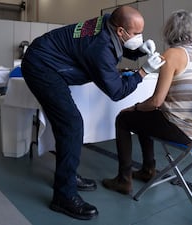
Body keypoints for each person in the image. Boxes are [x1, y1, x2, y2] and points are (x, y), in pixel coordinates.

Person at [21, 5, 165, 220]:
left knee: (67, 125)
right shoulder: (98, 48)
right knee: (71, 125)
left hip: (51, 58)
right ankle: (63, 195)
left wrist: (138, 50)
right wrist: (144, 71)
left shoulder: (108, 22)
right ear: (120, 31)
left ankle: (66, 176)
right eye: (136, 34)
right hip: (42, 66)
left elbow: (117, 46)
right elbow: (116, 92)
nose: (140, 36)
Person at [102, 9, 192, 195]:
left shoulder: (172, 55)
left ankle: (124, 179)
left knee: (124, 118)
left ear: (171, 30)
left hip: (183, 130)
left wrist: (134, 107)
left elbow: (156, 101)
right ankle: (147, 170)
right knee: (144, 115)